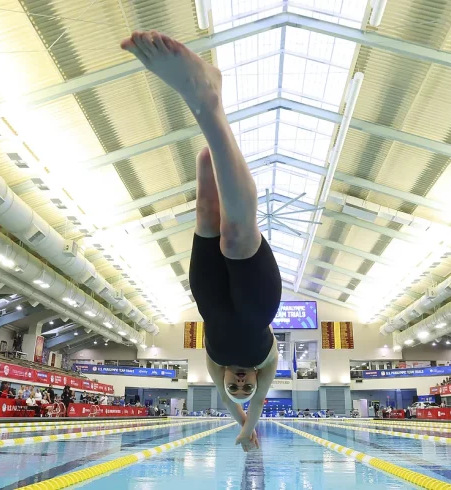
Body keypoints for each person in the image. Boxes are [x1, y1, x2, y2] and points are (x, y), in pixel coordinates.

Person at [120, 31, 283, 452]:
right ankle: (208, 104)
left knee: (208, 216)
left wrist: (236, 416)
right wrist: (248, 428)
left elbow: (231, 405)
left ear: (225, 384)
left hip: (208, 299)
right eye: (246, 386)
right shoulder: (266, 370)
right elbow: (254, 407)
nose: (243, 382)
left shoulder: (213, 368)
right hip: (258, 303)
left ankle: (212, 126)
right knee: (235, 237)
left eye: (237, 387)